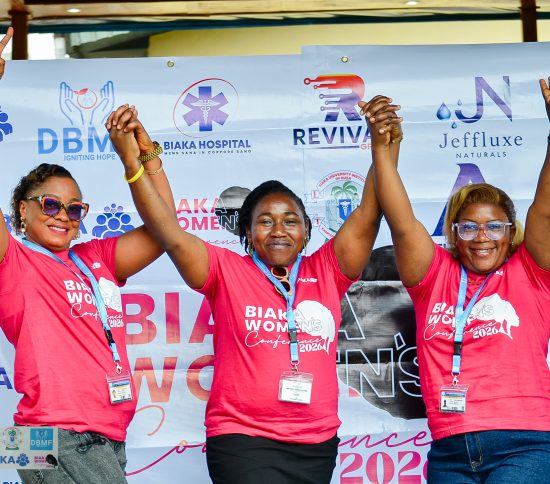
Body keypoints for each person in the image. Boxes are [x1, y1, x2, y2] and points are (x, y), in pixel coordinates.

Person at [107, 97, 399, 484]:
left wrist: (384, 143)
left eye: (290, 220)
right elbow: (168, 232)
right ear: (247, 230)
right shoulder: (225, 270)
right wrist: (138, 162)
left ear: (306, 231)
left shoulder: (327, 269)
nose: (278, 230)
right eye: (265, 221)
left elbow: (369, 212)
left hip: (315, 444)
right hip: (242, 441)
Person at [0, 32, 176, 483]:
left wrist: (142, 156)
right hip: (55, 434)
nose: (64, 215)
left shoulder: (93, 258)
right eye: (50, 205)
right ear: (23, 209)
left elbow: (165, 229)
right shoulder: (12, 259)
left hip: (103, 434)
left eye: (75, 208)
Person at [360, 86, 550, 482]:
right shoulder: (434, 276)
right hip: (449, 451)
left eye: (494, 226)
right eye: (469, 227)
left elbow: (545, 211)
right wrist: (382, 146)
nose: (482, 237)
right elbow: (400, 219)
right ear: (453, 233)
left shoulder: (531, 272)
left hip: (525, 443)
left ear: (510, 231)